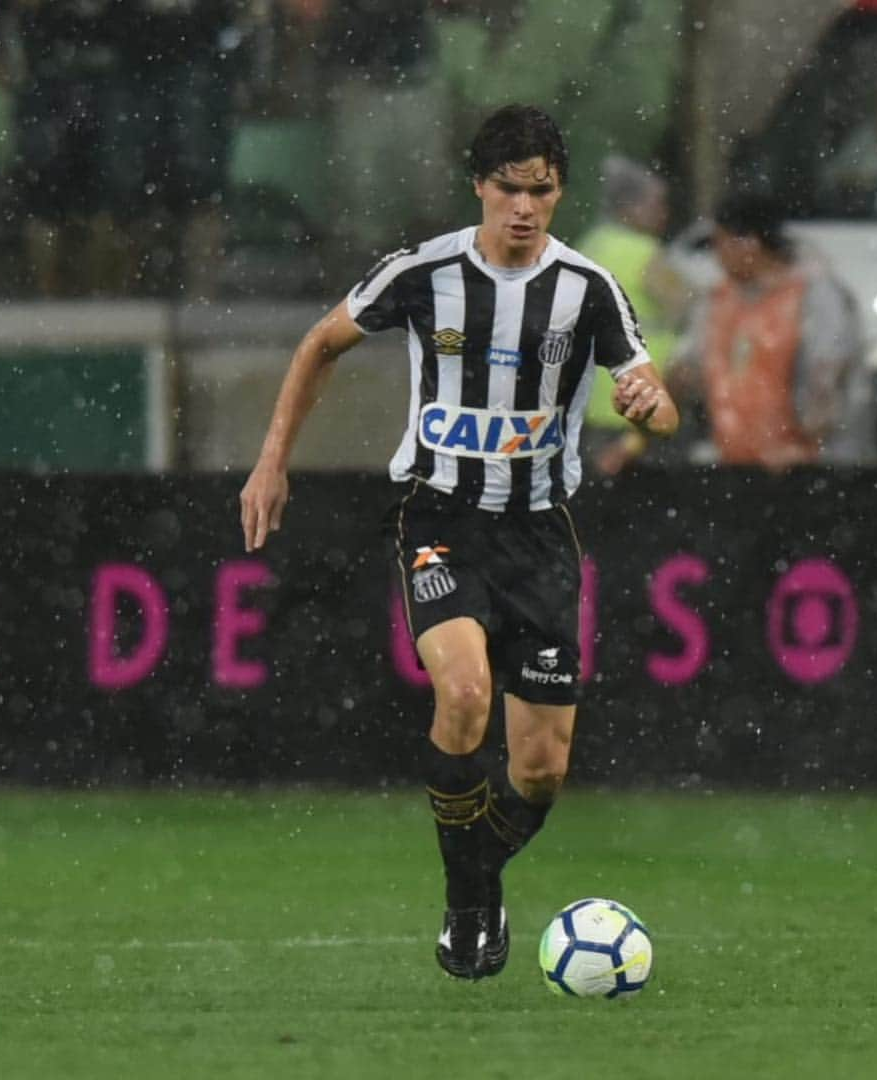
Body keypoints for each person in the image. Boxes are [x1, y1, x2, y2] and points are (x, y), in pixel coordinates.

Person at [239, 103, 678, 980]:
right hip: (440, 517)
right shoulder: (424, 271)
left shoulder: (587, 289)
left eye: (541, 191)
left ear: (559, 191)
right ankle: (470, 903)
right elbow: (320, 344)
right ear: (479, 185)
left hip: (542, 535)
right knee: (466, 693)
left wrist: (648, 407)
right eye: (509, 189)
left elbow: (657, 397)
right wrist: (270, 462)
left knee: (542, 769)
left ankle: (473, 883)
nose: (524, 207)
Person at [666, 189, 873, 468]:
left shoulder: (814, 294)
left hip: (811, 469)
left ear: (749, 244)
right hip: (739, 467)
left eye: (720, 243)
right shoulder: (720, 301)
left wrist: (808, 447)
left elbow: (830, 375)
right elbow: (690, 368)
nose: (716, 256)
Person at [576, 154, 691, 475]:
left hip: (595, 405)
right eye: (656, 204)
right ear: (629, 208)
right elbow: (688, 308)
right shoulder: (645, 253)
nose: (664, 214)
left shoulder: (590, 246)